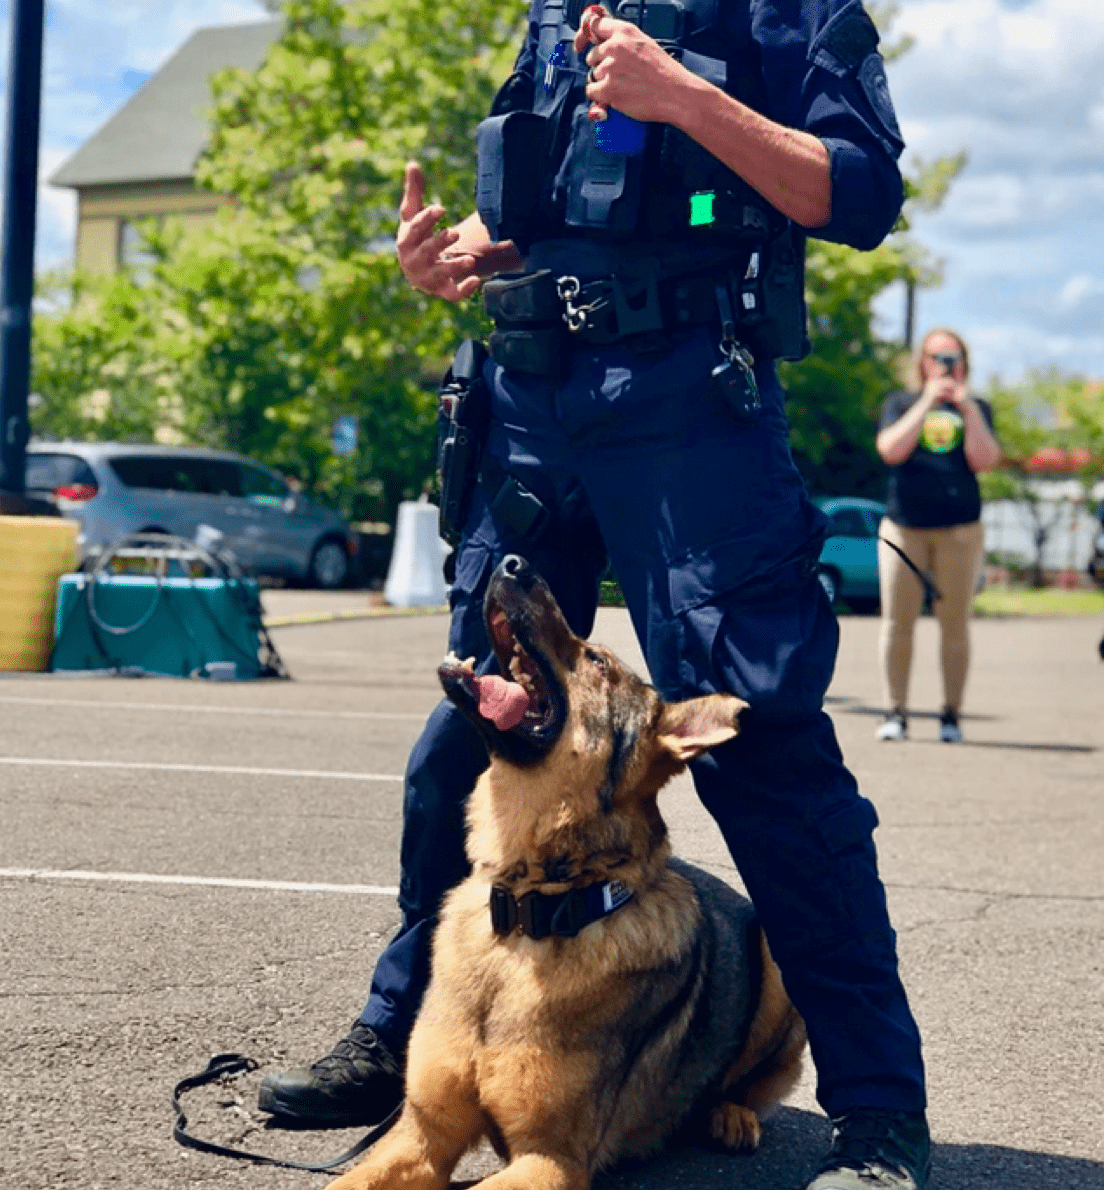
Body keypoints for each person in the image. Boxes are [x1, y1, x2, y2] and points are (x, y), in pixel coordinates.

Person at [260, 2, 932, 1186]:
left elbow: (860, 195)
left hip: (688, 405)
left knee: (761, 747)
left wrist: (683, 96)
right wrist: (465, 249)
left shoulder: (793, 9)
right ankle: (402, 1036)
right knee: (467, 730)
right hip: (527, 395)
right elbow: (552, 205)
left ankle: (877, 1110)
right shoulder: (555, 11)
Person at [873, 328, 1001, 744]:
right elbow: (890, 449)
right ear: (922, 362)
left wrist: (965, 407)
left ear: (965, 361)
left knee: (955, 625)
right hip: (904, 529)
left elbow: (985, 460)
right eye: (937, 357)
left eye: (953, 356)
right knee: (897, 623)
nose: (946, 364)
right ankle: (895, 712)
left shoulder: (976, 407)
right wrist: (928, 399)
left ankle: (951, 715)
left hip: (959, 532)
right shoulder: (901, 402)